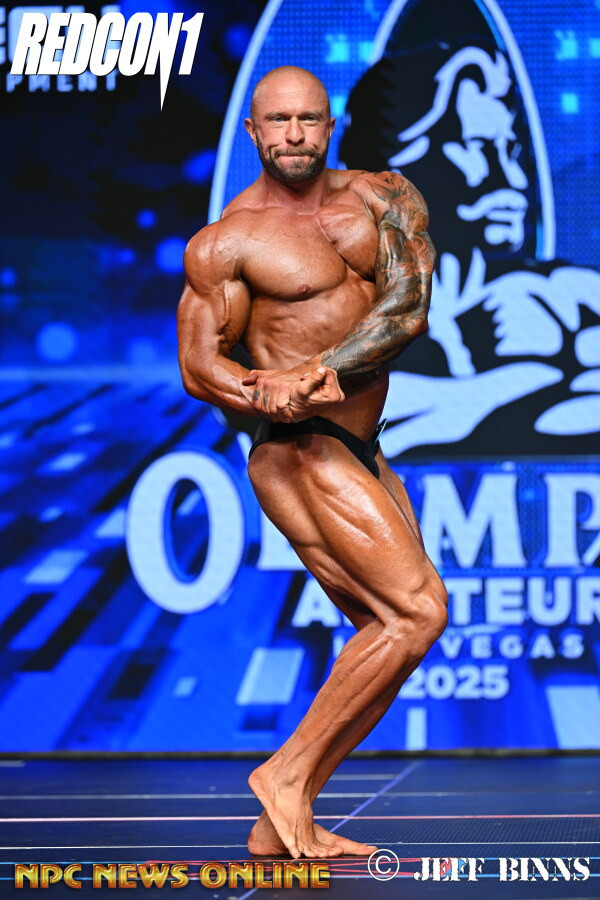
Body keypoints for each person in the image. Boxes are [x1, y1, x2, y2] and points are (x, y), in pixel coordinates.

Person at [177, 65, 448, 860]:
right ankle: (285, 776)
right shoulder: (228, 240)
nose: (294, 135)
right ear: (253, 131)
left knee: (386, 633)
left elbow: (409, 306)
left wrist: (321, 368)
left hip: (361, 442)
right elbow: (199, 365)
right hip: (300, 448)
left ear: (330, 126)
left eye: (308, 119)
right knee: (417, 612)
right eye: (278, 121)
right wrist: (264, 390)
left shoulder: (383, 197)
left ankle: (280, 820)